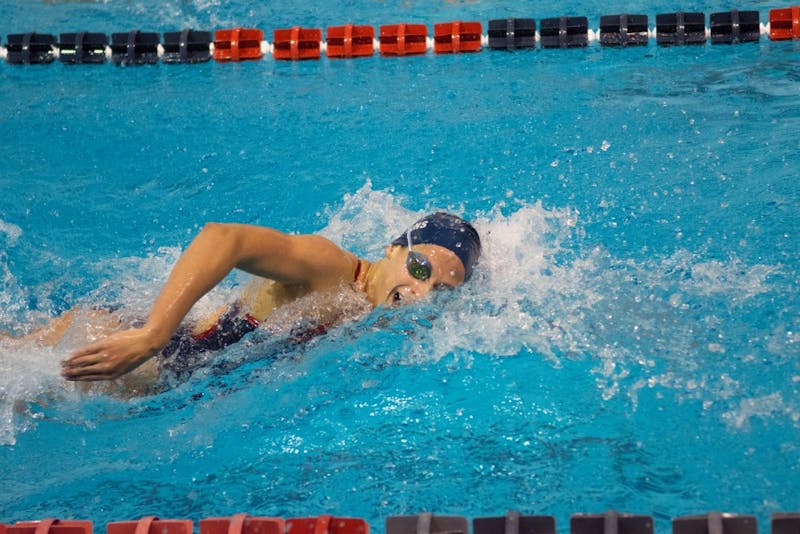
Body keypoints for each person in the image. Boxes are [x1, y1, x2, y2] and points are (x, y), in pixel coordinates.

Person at [49, 212, 481, 384]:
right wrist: (151, 336)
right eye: (420, 269)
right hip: (130, 352)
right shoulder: (330, 266)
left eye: (440, 290)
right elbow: (224, 238)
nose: (421, 293)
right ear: (392, 249)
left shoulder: (369, 310)